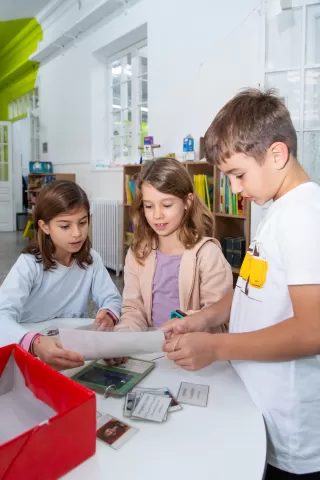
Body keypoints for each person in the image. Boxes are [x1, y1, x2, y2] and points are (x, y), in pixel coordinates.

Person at [163, 89, 320, 479]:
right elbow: (249, 289)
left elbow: (313, 330)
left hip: (292, 433)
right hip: (260, 410)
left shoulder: (303, 217)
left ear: (277, 155)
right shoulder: (277, 211)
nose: (234, 189)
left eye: (238, 174)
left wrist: (216, 346)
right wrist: (201, 319)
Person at [0, 180, 122, 370]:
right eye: (65, 226)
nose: (77, 234)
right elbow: (2, 315)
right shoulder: (29, 264)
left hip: (72, 347)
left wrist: (109, 313)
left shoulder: (92, 259)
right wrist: (34, 343)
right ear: (45, 227)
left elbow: (111, 298)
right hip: (31, 348)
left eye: (83, 223)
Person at [111, 157, 232, 332]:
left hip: (193, 352)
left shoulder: (208, 254)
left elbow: (217, 314)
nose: (157, 215)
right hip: (150, 351)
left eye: (166, 205)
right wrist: (123, 338)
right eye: (149, 206)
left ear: (187, 202)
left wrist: (182, 329)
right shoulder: (137, 253)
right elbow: (133, 310)